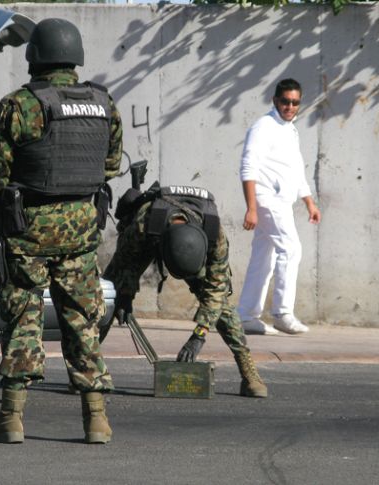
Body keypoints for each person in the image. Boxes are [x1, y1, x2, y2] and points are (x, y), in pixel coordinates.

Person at [0, 18, 123, 444]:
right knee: (82, 318)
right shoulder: (105, 104)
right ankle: (97, 420)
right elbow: (111, 166)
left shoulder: (20, 104)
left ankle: (11, 419)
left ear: (34, 58)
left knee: (22, 319)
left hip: (27, 228)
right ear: (76, 56)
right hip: (82, 230)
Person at [101, 182, 268, 398]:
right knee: (108, 296)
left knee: (223, 310)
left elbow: (215, 292)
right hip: (151, 237)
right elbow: (127, 262)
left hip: (191, 242)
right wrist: (125, 295)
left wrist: (199, 335)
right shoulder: (143, 224)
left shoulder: (215, 235)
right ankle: (86, 367)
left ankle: (250, 374)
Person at [237, 78, 321, 336]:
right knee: (291, 248)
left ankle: (246, 316)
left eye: (295, 102)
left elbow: (295, 169)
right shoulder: (263, 127)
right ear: (275, 101)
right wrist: (251, 207)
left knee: (265, 256)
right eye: (285, 101)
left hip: (282, 201)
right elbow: (247, 167)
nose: (290, 106)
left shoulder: (290, 129)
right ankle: (283, 313)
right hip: (266, 199)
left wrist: (309, 201)